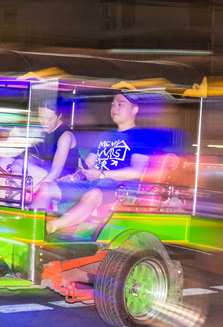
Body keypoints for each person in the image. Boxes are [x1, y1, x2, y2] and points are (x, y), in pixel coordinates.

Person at [39, 92, 160, 233]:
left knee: (93, 193)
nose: (114, 108)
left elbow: (136, 172)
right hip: (93, 183)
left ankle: (49, 228)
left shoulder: (141, 136)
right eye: (112, 104)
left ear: (134, 110)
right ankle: (31, 223)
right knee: (45, 188)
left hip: (120, 188)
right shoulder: (105, 135)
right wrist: (74, 177)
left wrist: (101, 174)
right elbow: (88, 164)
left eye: (120, 104)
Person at [0, 101, 79, 205]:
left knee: (20, 165)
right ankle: (0, 204)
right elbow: (22, 155)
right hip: (40, 170)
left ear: (59, 116)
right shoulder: (41, 131)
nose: (44, 122)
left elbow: (55, 172)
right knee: (4, 161)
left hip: (59, 179)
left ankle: (17, 204)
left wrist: (35, 190)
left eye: (49, 119)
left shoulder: (65, 136)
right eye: (41, 117)